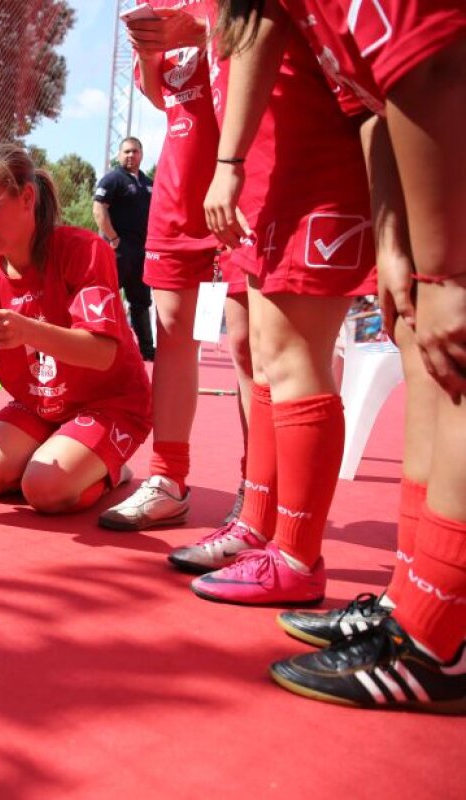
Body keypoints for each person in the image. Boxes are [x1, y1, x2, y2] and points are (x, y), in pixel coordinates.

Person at [210, 0, 466, 712]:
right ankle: (415, 599)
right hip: (419, 156)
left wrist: (445, 270)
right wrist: (398, 251)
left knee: (458, 369)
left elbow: (438, 64)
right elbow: (378, 110)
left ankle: (442, 636)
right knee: (427, 357)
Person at [189, 0, 379, 608]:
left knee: (295, 359)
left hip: (311, 169)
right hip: (273, 176)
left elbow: (264, 27)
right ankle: (261, 526)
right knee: (269, 361)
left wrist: (228, 162)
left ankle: (297, 555)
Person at [0, 142, 151, 514]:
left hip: (110, 403)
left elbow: (102, 352)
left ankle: (113, 469)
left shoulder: (84, 251)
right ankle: (62, 447)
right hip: (39, 404)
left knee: (44, 490)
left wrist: (26, 330)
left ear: (27, 197)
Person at [101, 2, 256, 532]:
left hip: (238, 182)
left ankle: (257, 493)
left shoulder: (231, 10)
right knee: (172, 336)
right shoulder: (173, 11)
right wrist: (148, 52)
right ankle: (167, 481)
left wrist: (207, 28)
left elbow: (263, 71)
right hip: (178, 190)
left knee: (248, 347)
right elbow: (164, 98)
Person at [93, 137, 156, 361]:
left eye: (135, 151)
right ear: (120, 155)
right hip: (117, 250)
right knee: (107, 297)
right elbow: (99, 209)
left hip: (141, 252)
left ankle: (147, 350)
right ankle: (101, 345)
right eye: (127, 152)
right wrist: (114, 238)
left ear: (142, 154)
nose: (131, 156)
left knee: (141, 301)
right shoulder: (112, 179)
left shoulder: (149, 183)